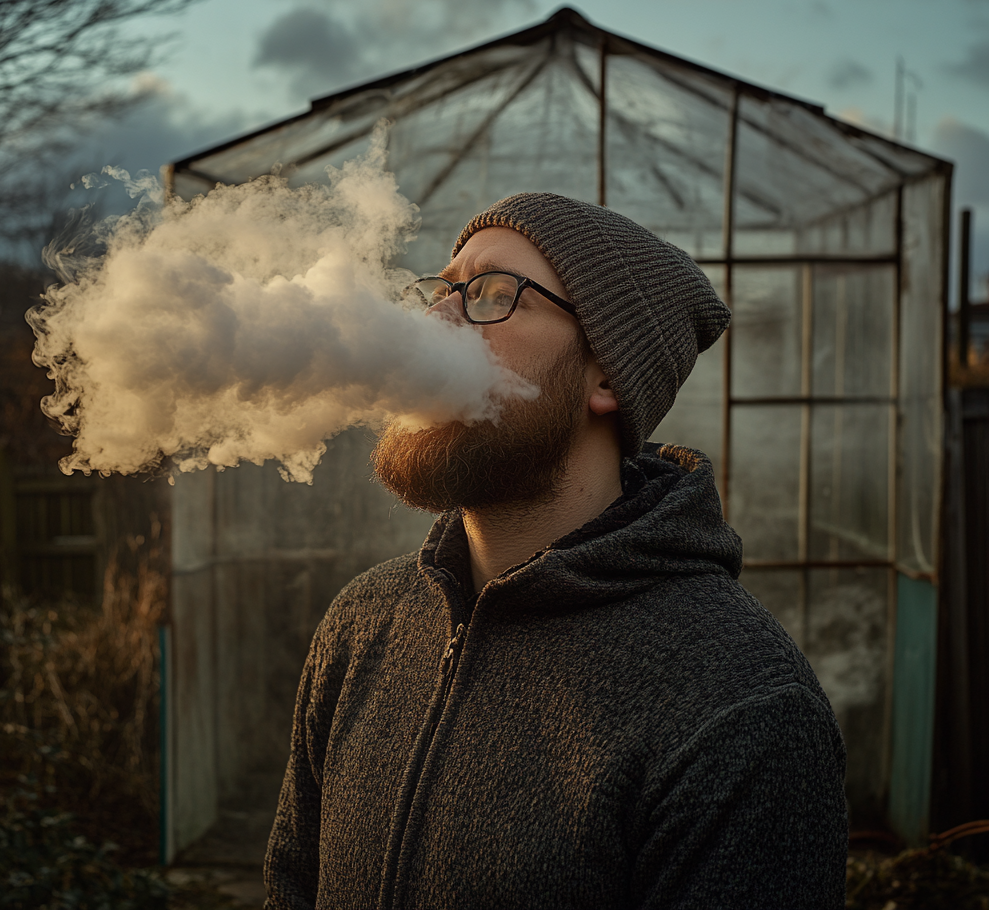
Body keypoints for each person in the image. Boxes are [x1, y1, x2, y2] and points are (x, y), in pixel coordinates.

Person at [263, 192, 848, 910]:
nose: (435, 322)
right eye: (441, 291)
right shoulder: (363, 624)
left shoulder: (743, 703)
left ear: (607, 373)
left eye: (494, 294)